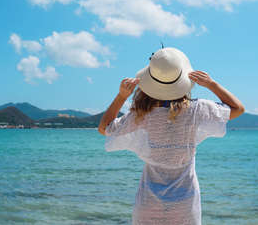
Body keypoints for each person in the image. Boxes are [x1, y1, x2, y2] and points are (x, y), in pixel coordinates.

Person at [98, 47, 244, 225]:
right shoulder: (196, 110)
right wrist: (212, 84)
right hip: (185, 203)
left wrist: (121, 96)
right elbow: (238, 109)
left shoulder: (142, 114)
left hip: (148, 203)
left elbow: (104, 128)